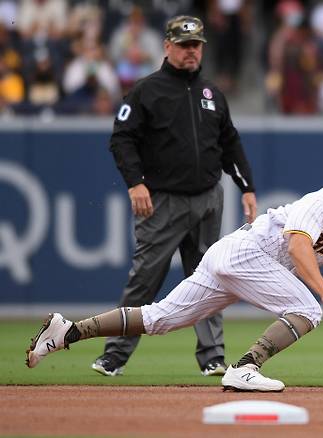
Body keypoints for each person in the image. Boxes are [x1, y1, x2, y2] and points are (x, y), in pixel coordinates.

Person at [26, 152, 323, 392]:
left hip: (233, 258)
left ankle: (67, 331)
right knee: (306, 308)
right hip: (243, 256)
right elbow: (298, 246)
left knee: (162, 319)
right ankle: (245, 368)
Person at [91, 15, 257, 378]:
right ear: (167, 47)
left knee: (211, 277)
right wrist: (135, 183)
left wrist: (246, 187)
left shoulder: (211, 93)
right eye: (183, 45)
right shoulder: (146, 90)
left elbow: (229, 142)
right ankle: (114, 355)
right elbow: (122, 139)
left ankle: (212, 356)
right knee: (146, 278)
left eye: (195, 45)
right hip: (162, 200)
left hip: (208, 199)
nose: (190, 51)